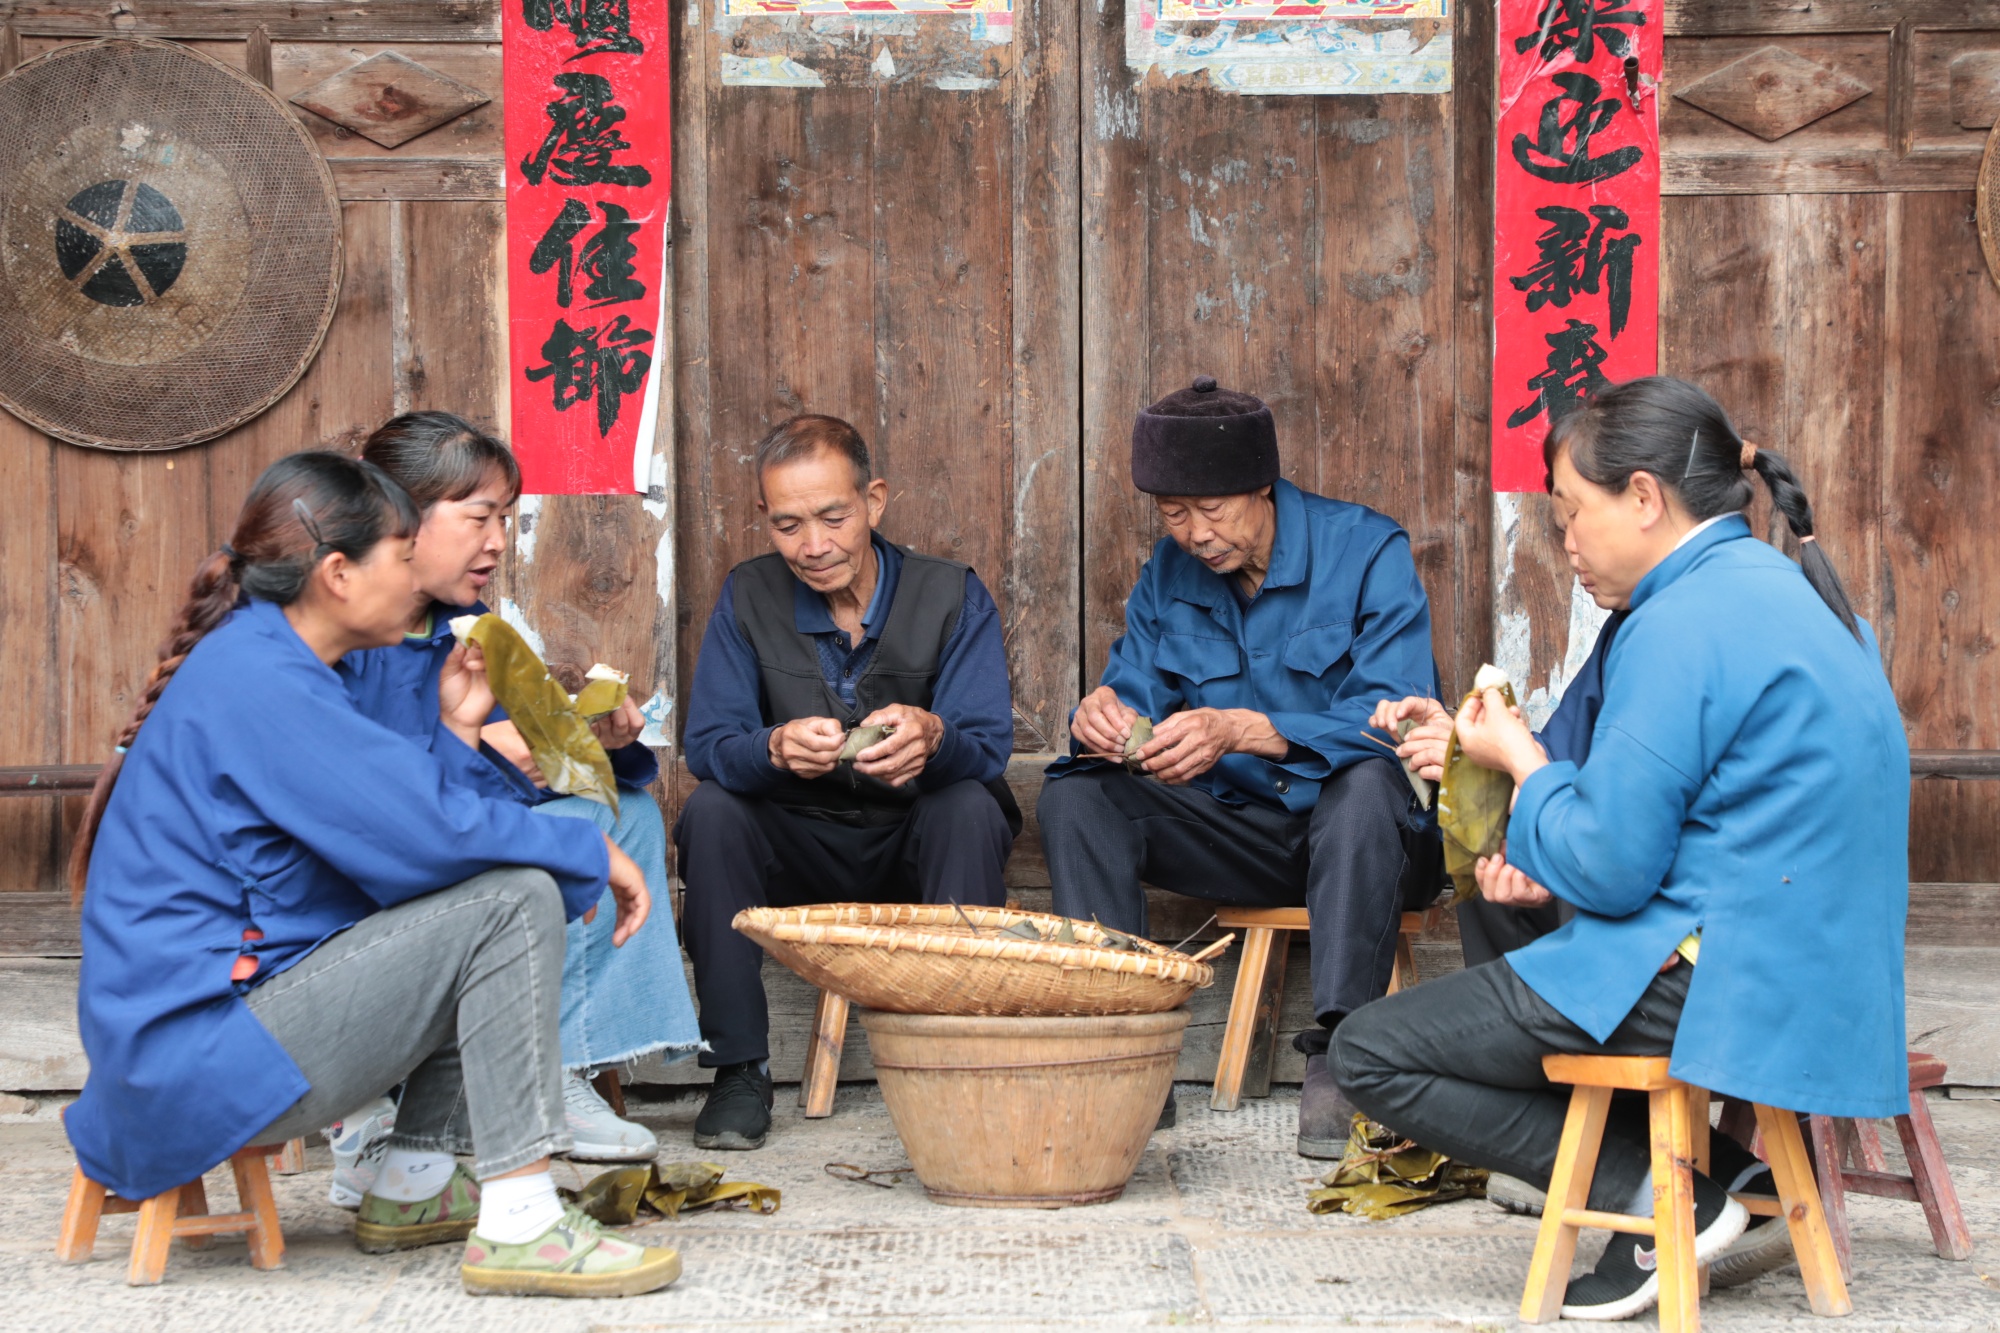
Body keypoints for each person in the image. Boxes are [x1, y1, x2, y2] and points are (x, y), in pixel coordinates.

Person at [1333, 377, 1911, 1322]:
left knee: (1372, 1051)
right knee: (1515, 939)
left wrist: (1519, 759)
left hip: (1712, 972)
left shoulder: (1678, 620)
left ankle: (1666, 1194)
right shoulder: (1802, 595)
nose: (1566, 542)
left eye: (1571, 512)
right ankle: (1711, 1179)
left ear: (1644, 497)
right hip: (1825, 974)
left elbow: (1609, 865)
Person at [64, 452, 679, 1298]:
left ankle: (415, 1179)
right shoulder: (260, 678)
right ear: (338, 573)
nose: (414, 573)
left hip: (203, 1050)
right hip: (202, 1061)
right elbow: (423, 836)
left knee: (503, 889)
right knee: (515, 897)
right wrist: (587, 853)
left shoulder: (267, 663)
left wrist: (459, 730)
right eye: (400, 552)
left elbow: (407, 855)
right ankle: (523, 1224)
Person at [1035, 376, 1443, 1158]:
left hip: (1368, 843)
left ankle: (1342, 1052)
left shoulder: (1366, 550)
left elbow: (1401, 716)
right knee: (1078, 797)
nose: (1194, 533)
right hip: (1242, 836)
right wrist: (1103, 719)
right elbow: (1134, 688)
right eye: (1173, 513)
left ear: (1262, 483)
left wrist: (1252, 729)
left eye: (1211, 509)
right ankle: (1126, 1047)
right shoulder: (1168, 572)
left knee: (1367, 783)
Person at [335, 412, 699, 1174]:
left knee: (619, 811)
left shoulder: (466, 629)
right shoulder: (340, 630)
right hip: (354, 880)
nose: (499, 539)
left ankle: (561, 1064)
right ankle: (363, 1114)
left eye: (505, 517)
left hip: (441, 833)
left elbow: (519, 762)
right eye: (480, 518)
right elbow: (353, 794)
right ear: (396, 516)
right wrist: (471, 746)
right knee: (530, 861)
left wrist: (593, 739)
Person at [677, 414, 1018, 1150]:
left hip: (912, 843)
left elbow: (988, 746)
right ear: (764, 519)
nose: (814, 545)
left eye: (833, 516)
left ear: (875, 501)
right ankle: (739, 1067)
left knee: (968, 804)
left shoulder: (950, 593)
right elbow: (707, 745)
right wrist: (771, 747)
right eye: (789, 524)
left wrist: (934, 737)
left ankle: (959, 1056)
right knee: (711, 811)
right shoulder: (749, 595)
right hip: (800, 845)